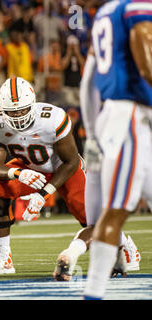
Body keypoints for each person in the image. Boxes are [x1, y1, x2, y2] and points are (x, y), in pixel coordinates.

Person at [0, 76, 89, 276]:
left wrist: (43, 194)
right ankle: (3, 258)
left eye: (22, 110)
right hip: (29, 168)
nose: (18, 117)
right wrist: (18, 173)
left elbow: (72, 161)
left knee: (88, 218)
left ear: (33, 104)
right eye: (12, 112)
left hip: (62, 170)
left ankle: (123, 244)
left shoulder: (52, 118)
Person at [82, 0, 151, 300]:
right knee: (116, 211)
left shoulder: (105, 14)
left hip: (117, 116)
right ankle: (93, 294)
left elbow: (87, 82)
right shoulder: (136, 7)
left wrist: (92, 132)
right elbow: (147, 63)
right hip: (131, 117)